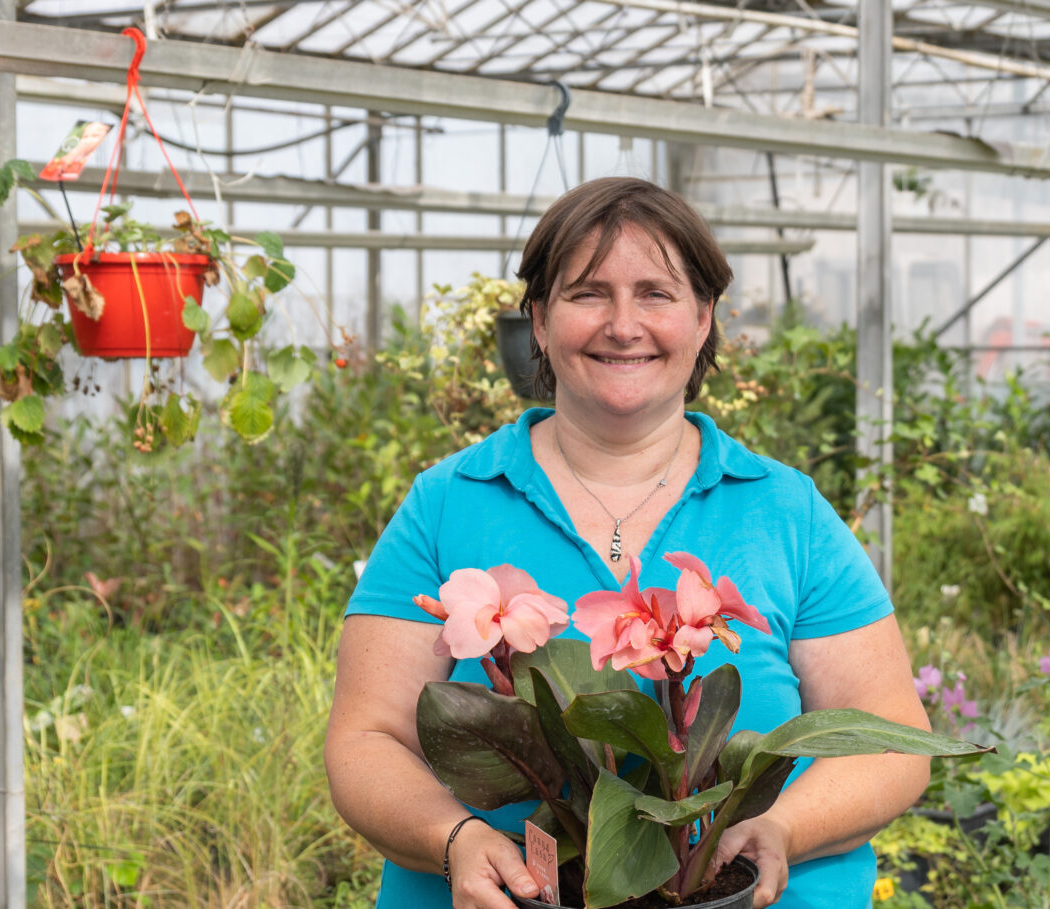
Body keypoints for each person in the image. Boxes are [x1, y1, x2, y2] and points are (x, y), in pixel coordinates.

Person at [324, 177, 931, 909]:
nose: (623, 324)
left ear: (703, 319)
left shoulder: (784, 510)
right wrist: (454, 840)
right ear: (540, 321)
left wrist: (784, 828)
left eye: (656, 293)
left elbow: (892, 737)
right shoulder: (449, 502)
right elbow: (366, 739)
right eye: (587, 293)